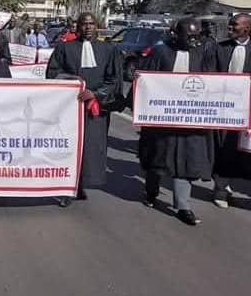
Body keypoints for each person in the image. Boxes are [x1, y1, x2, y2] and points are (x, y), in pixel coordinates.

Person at [136, 17, 216, 226]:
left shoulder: (202, 54)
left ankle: (183, 206)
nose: (194, 40)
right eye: (189, 36)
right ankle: (151, 192)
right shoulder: (160, 52)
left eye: (197, 36)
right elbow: (146, 81)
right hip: (162, 119)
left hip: (190, 121)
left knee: (187, 162)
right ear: (177, 34)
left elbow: (213, 83)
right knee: (157, 159)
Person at [46, 12, 124, 207]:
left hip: (96, 107)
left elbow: (114, 80)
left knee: (90, 149)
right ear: (78, 27)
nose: (88, 27)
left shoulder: (109, 49)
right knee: (70, 148)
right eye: (84, 24)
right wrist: (73, 83)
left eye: (91, 23)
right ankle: (68, 188)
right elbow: (52, 73)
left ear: (96, 26)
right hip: (70, 107)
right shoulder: (65, 48)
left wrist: (95, 94)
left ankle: (80, 184)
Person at [212, 13, 251, 208]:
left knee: (245, 151)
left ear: (247, 28)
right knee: (224, 148)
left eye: (234, 25)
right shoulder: (220, 48)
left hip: (247, 109)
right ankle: (220, 190)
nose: (229, 28)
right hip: (224, 109)